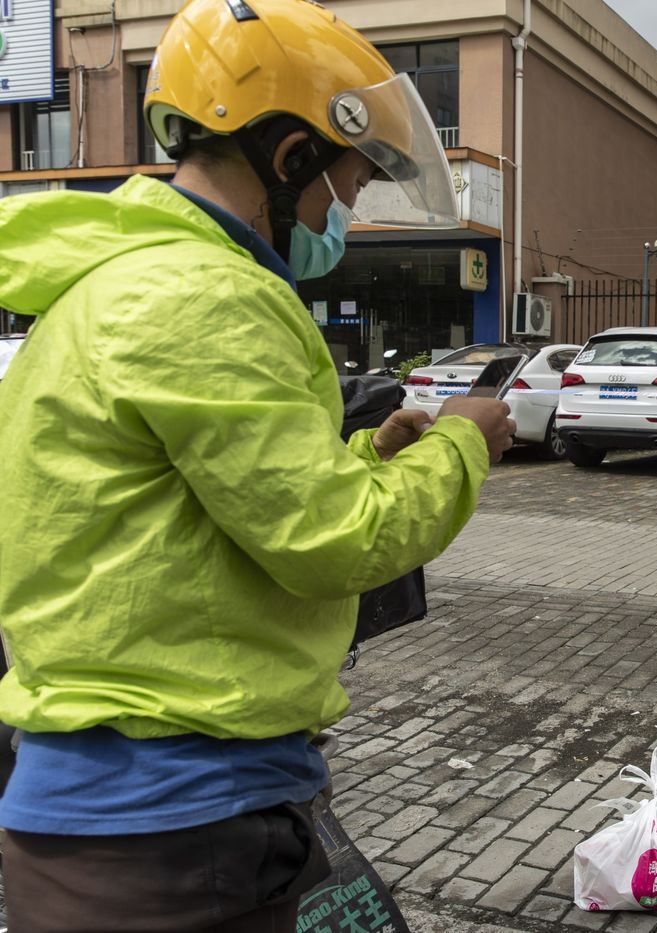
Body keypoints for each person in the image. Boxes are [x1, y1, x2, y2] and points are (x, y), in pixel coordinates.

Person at [0, 1, 514, 930]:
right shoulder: (206, 297)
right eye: (343, 185)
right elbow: (333, 540)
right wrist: (466, 441)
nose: (343, 216)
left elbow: (194, 509)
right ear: (289, 159)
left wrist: (365, 451)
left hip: (115, 812)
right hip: (178, 820)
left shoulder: (115, 283)